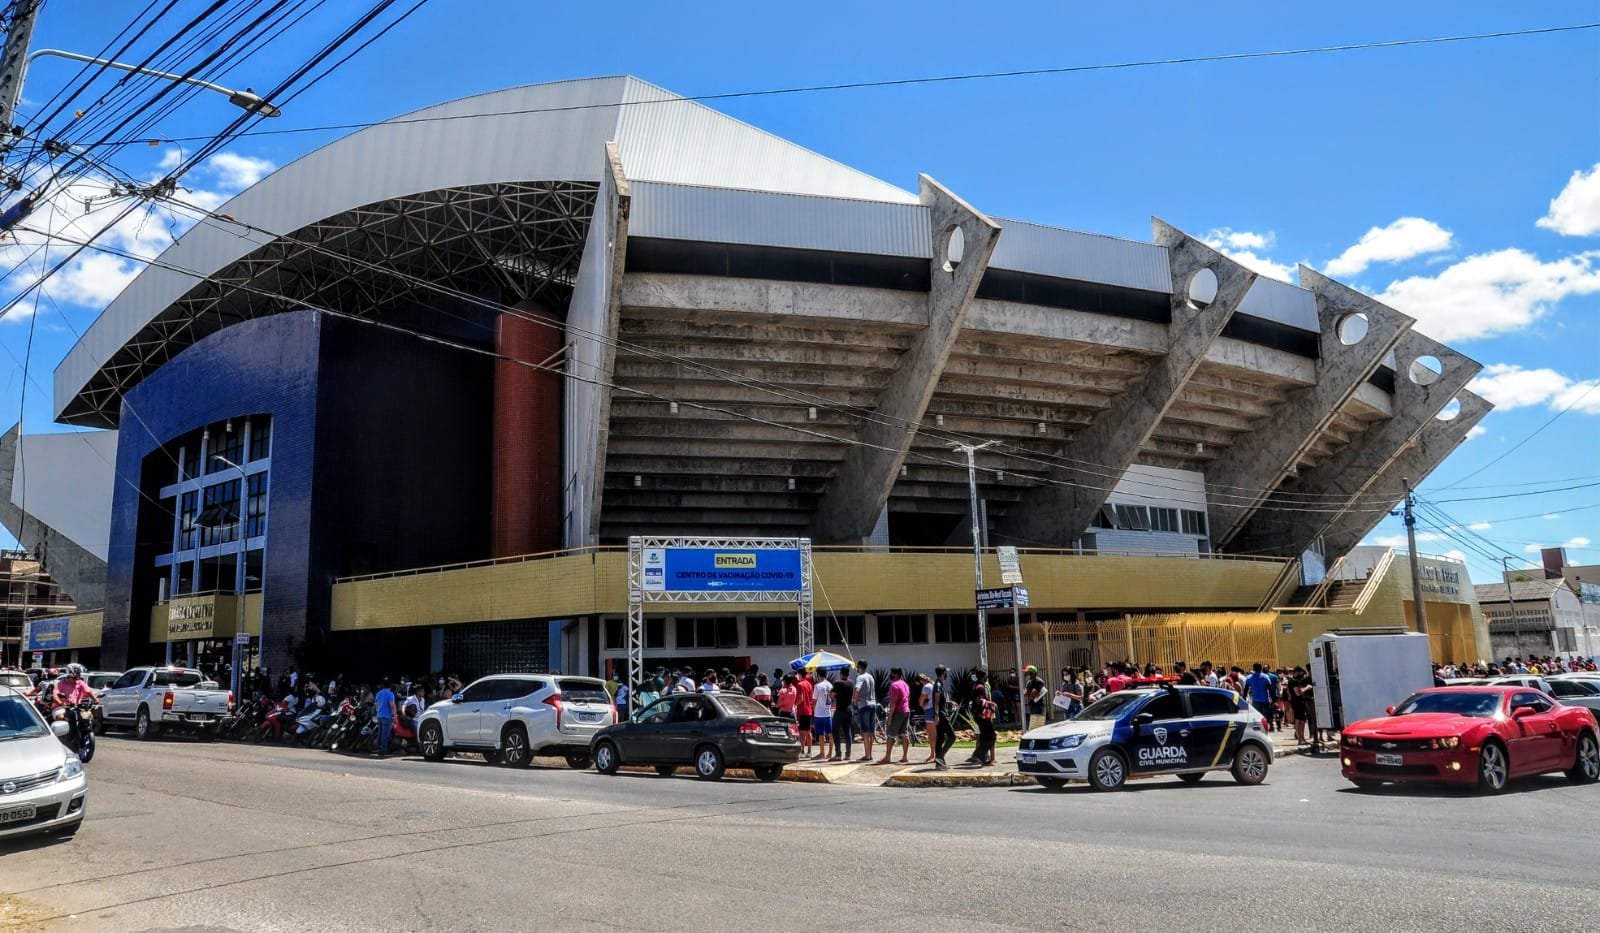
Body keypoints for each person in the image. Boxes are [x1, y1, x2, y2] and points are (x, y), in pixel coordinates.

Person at [877, 668, 911, 765]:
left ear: (896, 674)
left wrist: (890, 716)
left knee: (891, 735)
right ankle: (905, 756)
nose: (890, 675)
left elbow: (894, 701)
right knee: (904, 733)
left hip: (898, 711)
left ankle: (887, 757)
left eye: (891, 673)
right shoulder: (905, 684)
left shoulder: (894, 686)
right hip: (906, 710)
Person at [968, 669, 997, 767]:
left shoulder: (976, 685)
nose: (986, 678)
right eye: (986, 677)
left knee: (984, 736)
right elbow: (979, 700)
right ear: (983, 677)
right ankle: (978, 754)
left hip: (979, 715)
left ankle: (983, 758)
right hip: (982, 716)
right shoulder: (980, 687)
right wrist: (991, 703)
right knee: (992, 736)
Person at [929, 664, 954, 770]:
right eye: (946, 672)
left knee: (940, 738)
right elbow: (936, 701)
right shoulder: (938, 685)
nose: (946, 674)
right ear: (943, 673)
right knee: (952, 736)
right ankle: (939, 757)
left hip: (940, 714)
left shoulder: (938, 684)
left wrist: (948, 702)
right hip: (942, 715)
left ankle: (940, 763)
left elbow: (939, 700)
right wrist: (936, 715)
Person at [853, 660, 876, 763]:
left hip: (864, 705)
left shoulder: (860, 677)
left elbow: (857, 690)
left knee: (865, 732)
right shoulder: (870, 677)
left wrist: (855, 700)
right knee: (870, 732)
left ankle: (867, 755)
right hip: (873, 704)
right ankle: (870, 754)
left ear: (859, 667)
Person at [830, 670, 855, 762]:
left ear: (841, 674)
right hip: (849, 710)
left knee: (835, 731)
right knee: (847, 731)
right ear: (848, 674)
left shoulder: (837, 683)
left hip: (839, 710)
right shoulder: (851, 683)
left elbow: (832, 695)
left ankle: (838, 754)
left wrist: (835, 696)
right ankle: (848, 754)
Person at [1243, 663, 1274, 731]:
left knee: (1257, 716)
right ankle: (1268, 727)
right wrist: (1273, 699)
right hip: (1265, 699)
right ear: (1261, 668)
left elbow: (1246, 689)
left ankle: (1260, 728)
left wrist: (1244, 698)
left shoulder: (1249, 677)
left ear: (1253, 669)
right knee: (1265, 715)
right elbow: (1270, 689)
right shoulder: (1265, 677)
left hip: (1255, 700)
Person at [811, 669, 834, 761]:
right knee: (830, 733)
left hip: (819, 713)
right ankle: (830, 752)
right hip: (828, 712)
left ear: (818, 675)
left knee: (821, 734)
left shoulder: (817, 686)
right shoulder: (830, 685)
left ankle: (822, 753)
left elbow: (814, 700)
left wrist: (814, 710)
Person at [373, 677, 398, 759]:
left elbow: (376, 705)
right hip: (387, 716)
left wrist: (378, 712)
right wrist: (395, 716)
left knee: (380, 733)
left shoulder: (378, 693)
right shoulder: (390, 694)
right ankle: (383, 750)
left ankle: (379, 749)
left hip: (379, 716)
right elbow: (392, 705)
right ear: (390, 686)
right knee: (385, 734)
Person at [795, 671, 815, 758]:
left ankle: (802, 751)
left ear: (800, 674)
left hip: (802, 710)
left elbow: (801, 698)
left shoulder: (800, 685)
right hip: (809, 710)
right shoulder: (809, 684)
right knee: (808, 731)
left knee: (802, 732)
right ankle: (809, 751)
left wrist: (795, 704)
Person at [1023, 665, 1047, 731]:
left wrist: (1029, 694)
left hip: (1039, 710)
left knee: (1038, 731)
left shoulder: (1039, 682)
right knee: (1032, 730)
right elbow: (1025, 695)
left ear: (1032, 673)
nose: (1025, 675)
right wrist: (1029, 694)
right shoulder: (1029, 682)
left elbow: (1032, 695)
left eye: (1027, 673)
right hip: (1032, 709)